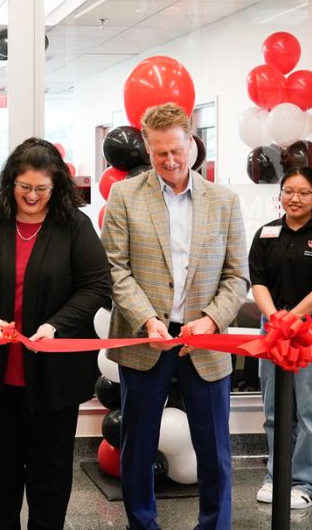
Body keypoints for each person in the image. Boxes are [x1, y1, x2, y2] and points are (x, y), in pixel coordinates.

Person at [0, 138, 112, 530]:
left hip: (54, 372)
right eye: (25, 187)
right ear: (11, 183)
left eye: (42, 188)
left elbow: (96, 286)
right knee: (0, 468)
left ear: (56, 187)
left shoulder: (74, 225)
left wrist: (56, 325)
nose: (33, 196)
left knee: (50, 470)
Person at [100, 103, 247, 530]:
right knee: (138, 445)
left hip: (205, 340)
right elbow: (117, 270)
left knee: (214, 448)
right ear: (147, 147)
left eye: (177, 151)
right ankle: (142, 524)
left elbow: (238, 275)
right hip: (146, 338)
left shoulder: (223, 201)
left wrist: (213, 320)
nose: (170, 161)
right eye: (160, 152)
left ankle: (215, 525)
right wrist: (148, 320)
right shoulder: (125, 196)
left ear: (192, 144)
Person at [248, 166, 312, 510]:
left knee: (311, 411)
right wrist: (274, 317)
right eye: (289, 191)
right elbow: (257, 280)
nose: (295, 198)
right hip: (273, 325)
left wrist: (290, 317)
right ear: (281, 194)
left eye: (304, 192)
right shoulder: (266, 233)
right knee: (276, 409)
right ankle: (277, 477)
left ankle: (308, 484)